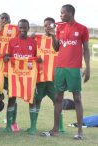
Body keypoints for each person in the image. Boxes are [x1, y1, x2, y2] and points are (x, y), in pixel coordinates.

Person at [42, 4, 90, 140]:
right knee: (58, 98)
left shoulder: (82, 29)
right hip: (60, 67)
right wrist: (52, 36)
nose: (60, 15)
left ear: (70, 13)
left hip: (74, 68)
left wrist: (88, 67)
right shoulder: (60, 28)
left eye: (62, 13)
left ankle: (80, 131)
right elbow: (56, 48)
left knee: (77, 98)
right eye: (60, 13)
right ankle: (55, 129)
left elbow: (86, 49)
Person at [27, 17, 65, 135]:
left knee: (57, 101)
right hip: (40, 77)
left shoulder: (59, 40)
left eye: (50, 25)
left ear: (55, 26)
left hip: (54, 78)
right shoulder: (38, 39)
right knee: (35, 100)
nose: (47, 27)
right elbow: (27, 44)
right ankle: (33, 126)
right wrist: (31, 36)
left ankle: (61, 127)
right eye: (45, 25)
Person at [4, 19, 38, 133]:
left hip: (28, 75)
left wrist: (39, 60)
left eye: (25, 27)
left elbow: (36, 57)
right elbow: (8, 55)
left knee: (31, 99)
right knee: (12, 98)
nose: (23, 30)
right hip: (15, 74)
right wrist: (6, 57)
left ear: (28, 28)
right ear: (18, 29)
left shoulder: (33, 42)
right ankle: (8, 126)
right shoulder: (12, 41)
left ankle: (33, 127)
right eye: (21, 28)